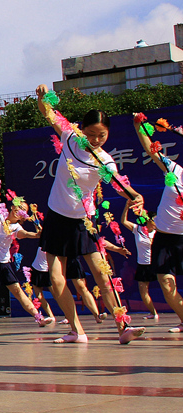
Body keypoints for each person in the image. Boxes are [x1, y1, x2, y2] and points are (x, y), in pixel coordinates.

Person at [34, 88, 146, 344]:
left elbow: (119, 184)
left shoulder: (105, 160)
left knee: (101, 272)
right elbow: (49, 113)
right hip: (57, 217)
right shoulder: (70, 137)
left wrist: (135, 196)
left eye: (102, 135)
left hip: (85, 221)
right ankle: (76, 330)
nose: (96, 139)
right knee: (55, 277)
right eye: (92, 134)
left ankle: (122, 327)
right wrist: (41, 97)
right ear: (82, 129)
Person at [131, 116, 183, 331]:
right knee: (166, 282)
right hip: (163, 237)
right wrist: (138, 126)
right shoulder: (175, 171)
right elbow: (153, 151)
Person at [0, 178, 47, 329]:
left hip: (3, 263)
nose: (19, 209)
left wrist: (39, 233)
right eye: (19, 206)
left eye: (23, 210)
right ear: (13, 207)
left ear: (23, 216)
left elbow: (28, 234)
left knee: (18, 291)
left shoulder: (16, 228)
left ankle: (39, 317)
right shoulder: (0, 214)